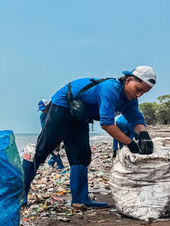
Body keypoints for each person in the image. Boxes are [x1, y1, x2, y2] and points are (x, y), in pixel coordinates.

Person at [23, 66, 156, 208]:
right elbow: (107, 124)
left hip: (81, 114)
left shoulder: (130, 101)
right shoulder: (111, 88)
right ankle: (20, 196)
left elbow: (136, 120)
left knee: (81, 155)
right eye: (138, 89)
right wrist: (130, 143)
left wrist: (144, 136)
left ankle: (80, 199)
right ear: (129, 80)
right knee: (41, 151)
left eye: (144, 93)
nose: (139, 95)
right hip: (63, 106)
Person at [38, 99, 65, 169]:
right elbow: (43, 127)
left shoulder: (55, 112)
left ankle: (51, 162)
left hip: (59, 133)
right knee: (54, 150)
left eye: (44, 109)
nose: (43, 111)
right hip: (49, 135)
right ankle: (60, 166)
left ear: (48, 106)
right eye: (42, 110)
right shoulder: (42, 116)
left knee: (56, 150)